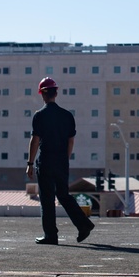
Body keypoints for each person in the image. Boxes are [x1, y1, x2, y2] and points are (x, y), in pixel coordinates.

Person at [26, 77, 95, 245]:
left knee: (47, 198)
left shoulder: (39, 115)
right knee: (63, 194)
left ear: (42, 94)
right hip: (62, 161)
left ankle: (51, 235)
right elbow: (71, 141)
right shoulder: (67, 116)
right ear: (56, 92)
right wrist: (65, 158)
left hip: (46, 160)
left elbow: (35, 140)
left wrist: (29, 163)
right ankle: (83, 224)